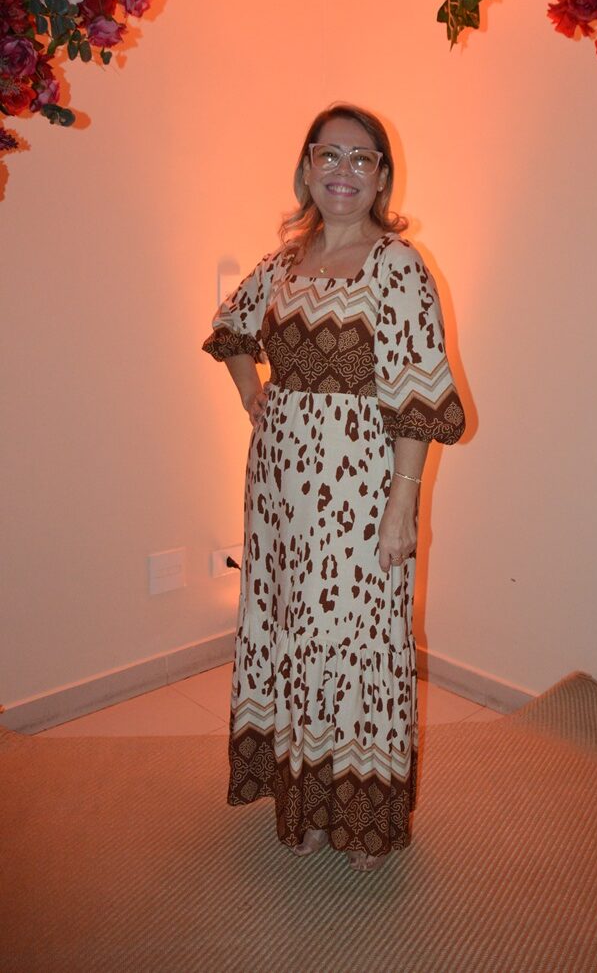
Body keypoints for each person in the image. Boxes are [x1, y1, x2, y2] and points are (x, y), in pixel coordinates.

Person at [202, 104, 465, 873]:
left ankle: (358, 812)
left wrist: (402, 505)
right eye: (329, 155)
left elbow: (417, 396)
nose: (343, 171)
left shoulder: (398, 265)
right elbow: (230, 327)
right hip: (279, 488)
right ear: (307, 167)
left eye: (361, 158)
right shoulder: (285, 261)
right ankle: (305, 799)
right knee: (292, 630)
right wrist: (252, 392)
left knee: (356, 640)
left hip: (359, 489)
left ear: (382, 176)